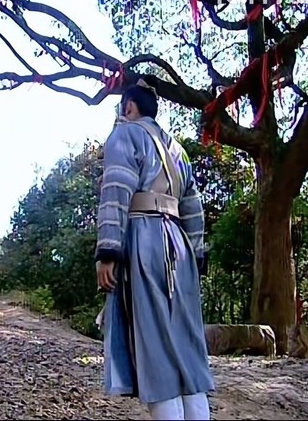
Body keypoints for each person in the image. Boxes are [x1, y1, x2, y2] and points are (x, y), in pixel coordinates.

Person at [95, 76, 214, 420]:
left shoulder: (126, 134)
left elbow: (116, 190)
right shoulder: (178, 151)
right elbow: (193, 207)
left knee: (155, 351)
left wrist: (107, 251)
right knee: (187, 351)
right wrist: (196, 254)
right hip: (180, 248)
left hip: (144, 240)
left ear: (129, 106)